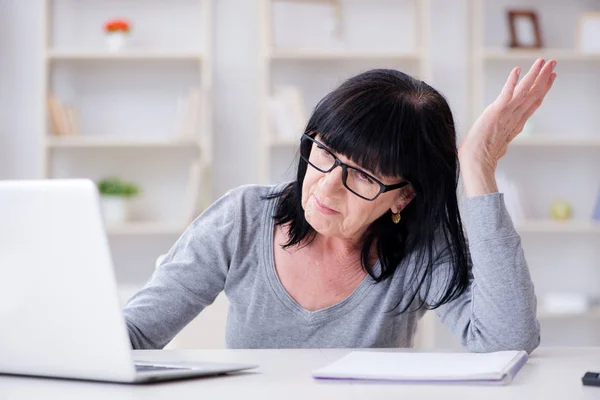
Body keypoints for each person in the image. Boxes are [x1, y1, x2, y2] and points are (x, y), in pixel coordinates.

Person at [124, 58, 557, 352]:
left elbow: (507, 343)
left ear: (404, 195)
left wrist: (479, 167)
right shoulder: (243, 218)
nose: (326, 188)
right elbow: (137, 333)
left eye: (364, 176)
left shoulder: (422, 248)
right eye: (325, 154)